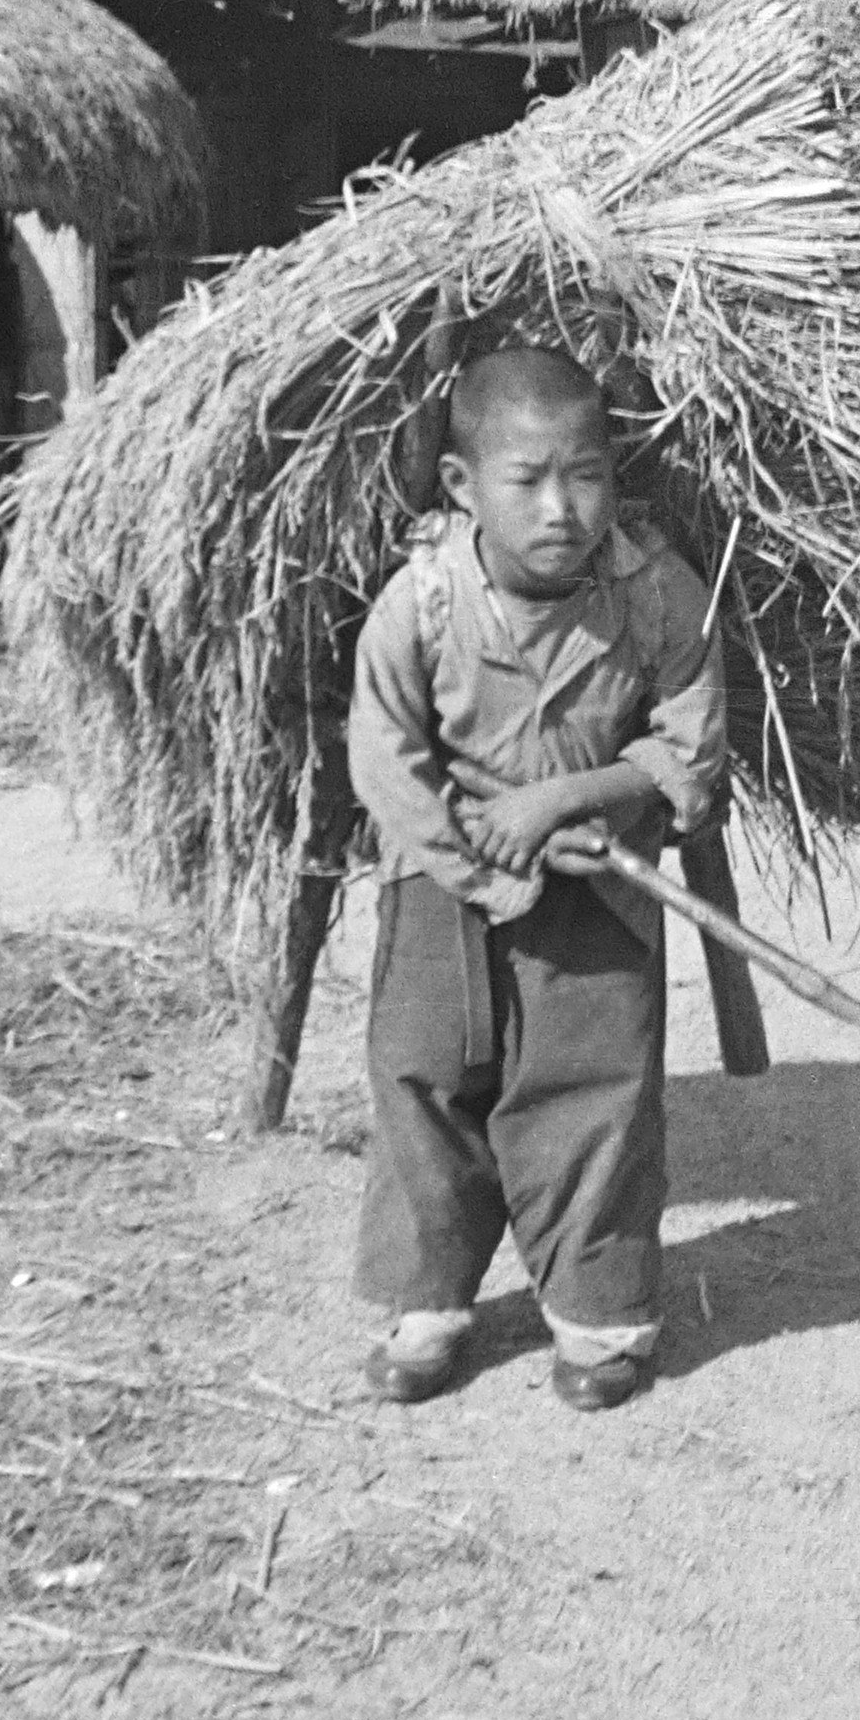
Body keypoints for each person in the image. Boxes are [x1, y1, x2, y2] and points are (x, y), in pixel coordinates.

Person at [343, 342, 724, 1412]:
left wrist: (561, 805)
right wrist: (482, 852)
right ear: (465, 488)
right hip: (437, 884)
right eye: (527, 481)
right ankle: (429, 1302)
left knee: (594, 1093)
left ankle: (601, 1315)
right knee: (424, 1074)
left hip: (602, 887)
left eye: (588, 475)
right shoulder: (420, 607)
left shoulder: (655, 599)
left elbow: (690, 755)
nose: (562, 508)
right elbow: (387, 760)